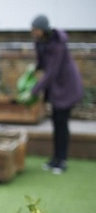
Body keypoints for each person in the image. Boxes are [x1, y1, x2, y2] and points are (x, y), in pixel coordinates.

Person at [29, 15, 84, 174]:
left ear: (43, 30)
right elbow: (41, 64)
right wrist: (31, 73)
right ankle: (55, 159)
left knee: (61, 123)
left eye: (36, 29)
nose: (34, 32)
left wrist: (35, 90)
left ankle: (62, 160)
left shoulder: (58, 43)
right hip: (56, 88)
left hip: (67, 86)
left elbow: (52, 71)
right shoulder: (40, 42)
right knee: (56, 122)